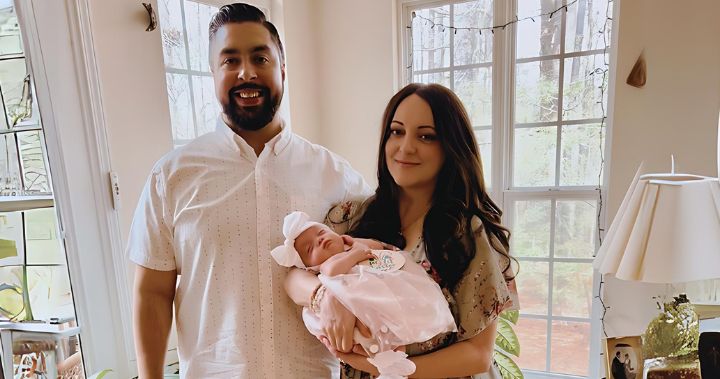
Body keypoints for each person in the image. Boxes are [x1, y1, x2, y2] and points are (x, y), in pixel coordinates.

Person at [127, 3, 370, 378]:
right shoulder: (171, 177)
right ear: (213, 73)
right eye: (230, 60)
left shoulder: (338, 177)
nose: (246, 72)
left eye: (260, 57)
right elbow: (152, 293)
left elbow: (373, 270)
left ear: (282, 69)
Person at [285, 83, 518, 378]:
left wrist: (382, 368)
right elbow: (293, 276)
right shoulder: (350, 217)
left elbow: (478, 354)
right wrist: (325, 296)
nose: (406, 147)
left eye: (426, 136)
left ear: (450, 147)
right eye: (396, 131)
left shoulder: (467, 234)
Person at [271, 211, 457, 377]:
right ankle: (388, 367)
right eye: (310, 249)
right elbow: (331, 271)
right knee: (369, 339)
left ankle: (394, 363)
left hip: (384, 300)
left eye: (321, 233)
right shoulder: (326, 267)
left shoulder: (354, 244)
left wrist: (357, 244)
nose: (319, 240)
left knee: (397, 333)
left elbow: (377, 248)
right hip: (360, 312)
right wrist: (356, 254)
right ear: (310, 268)